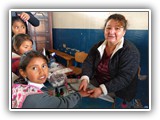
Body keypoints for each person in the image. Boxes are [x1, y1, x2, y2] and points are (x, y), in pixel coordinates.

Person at [79, 14, 140, 102]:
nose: (111, 32)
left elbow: (125, 77)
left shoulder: (131, 51)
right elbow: (89, 62)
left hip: (119, 91)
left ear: (124, 32)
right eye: (108, 28)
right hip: (98, 82)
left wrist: (101, 89)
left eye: (117, 28)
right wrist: (85, 78)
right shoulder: (98, 46)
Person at [12, 50, 89, 108]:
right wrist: (79, 94)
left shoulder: (19, 85)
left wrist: (44, 92)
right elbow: (63, 104)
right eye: (34, 68)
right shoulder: (35, 99)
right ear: (23, 73)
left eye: (43, 66)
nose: (41, 72)